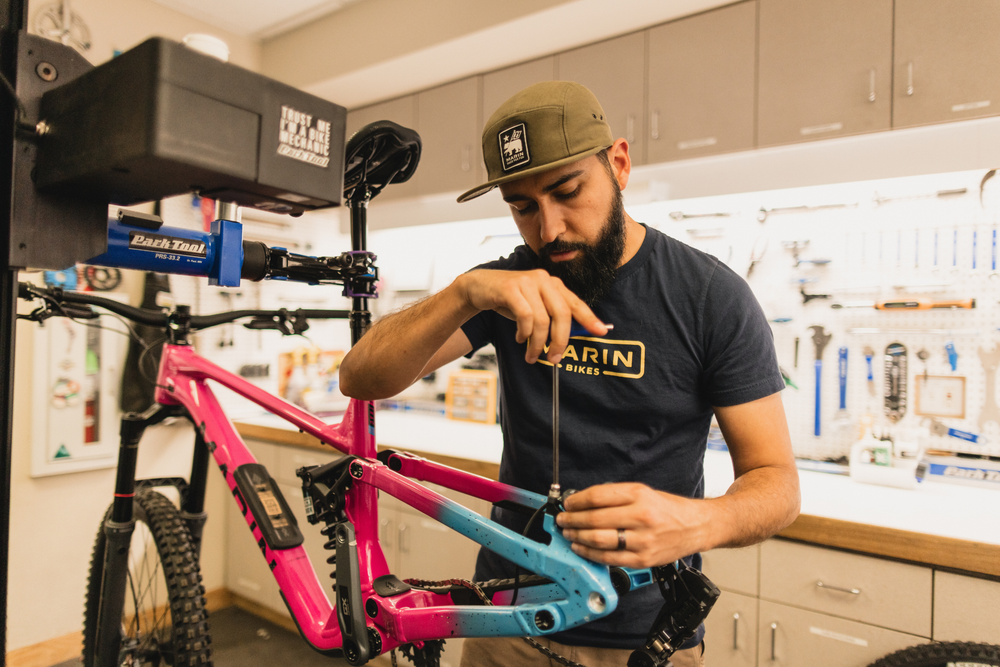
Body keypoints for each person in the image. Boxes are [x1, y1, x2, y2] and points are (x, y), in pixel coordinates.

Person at [339, 81, 800, 667]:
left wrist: (701, 522)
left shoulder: (710, 298)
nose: (549, 229)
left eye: (567, 191)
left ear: (620, 164)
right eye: (522, 206)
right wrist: (465, 293)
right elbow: (360, 378)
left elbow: (777, 481)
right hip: (506, 623)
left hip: (648, 640)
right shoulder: (504, 287)